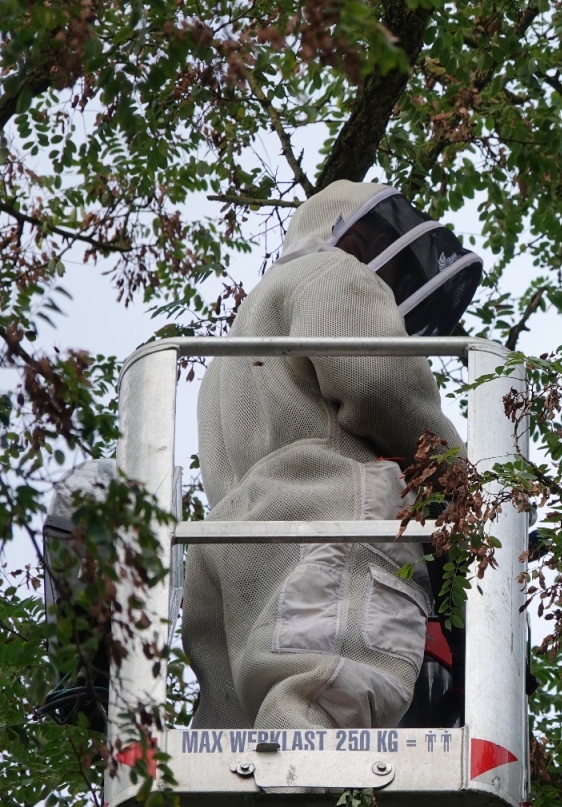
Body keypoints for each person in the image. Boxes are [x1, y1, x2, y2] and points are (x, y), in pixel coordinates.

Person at [184, 180, 481, 729]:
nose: (394, 296)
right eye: (398, 277)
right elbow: (377, 383)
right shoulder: (335, 271)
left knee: (248, 734)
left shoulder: (232, 350)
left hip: (235, 549)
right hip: (331, 516)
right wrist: (467, 488)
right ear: (362, 242)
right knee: (326, 695)